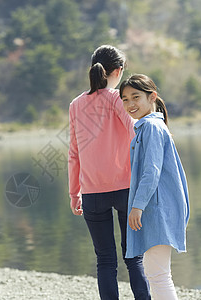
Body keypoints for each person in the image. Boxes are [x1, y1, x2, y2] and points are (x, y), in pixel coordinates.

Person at [68, 45, 151, 300]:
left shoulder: (76, 105)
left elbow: (73, 153)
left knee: (104, 260)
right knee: (133, 257)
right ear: (118, 71)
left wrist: (74, 194)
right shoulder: (118, 99)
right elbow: (136, 131)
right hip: (126, 189)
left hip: (91, 194)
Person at [119, 74, 190, 300]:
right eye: (125, 99)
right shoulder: (149, 126)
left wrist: (137, 207)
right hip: (157, 207)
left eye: (136, 97)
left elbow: (152, 172)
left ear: (153, 97)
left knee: (158, 275)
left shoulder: (150, 127)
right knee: (156, 273)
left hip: (157, 209)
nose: (130, 104)